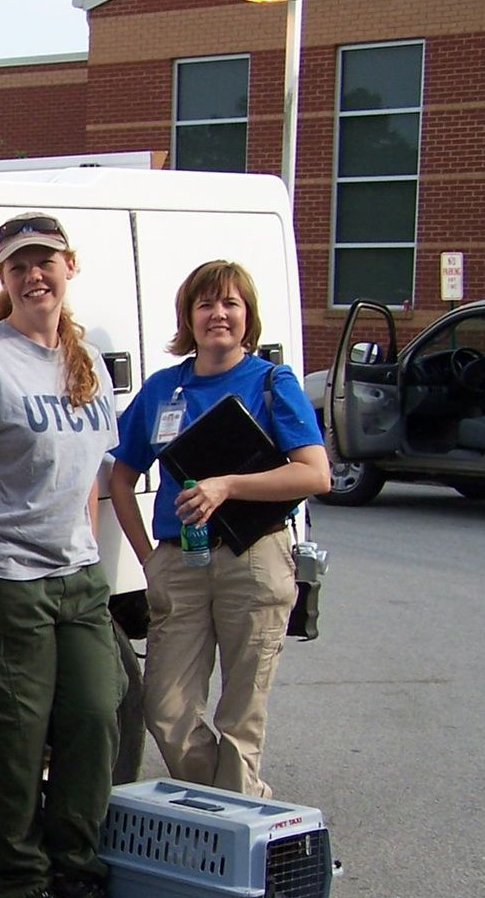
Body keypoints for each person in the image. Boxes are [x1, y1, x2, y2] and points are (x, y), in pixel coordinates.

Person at [0, 212, 131, 898]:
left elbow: (89, 476)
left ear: (69, 267)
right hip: (5, 579)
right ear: (4, 278)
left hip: (76, 578)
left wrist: (88, 549)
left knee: (92, 718)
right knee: (14, 740)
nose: (33, 275)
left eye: (44, 261)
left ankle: (76, 866)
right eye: (19, 265)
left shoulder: (87, 362)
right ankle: (21, 882)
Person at [108, 260, 331, 797]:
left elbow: (314, 473)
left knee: (241, 714)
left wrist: (227, 485)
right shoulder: (164, 389)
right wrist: (148, 558)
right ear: (189, 316)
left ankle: (230, 842)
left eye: (231, 303)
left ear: (247, 315)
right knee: (165, 707)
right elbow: (120, 477)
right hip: (179, 561)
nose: (218, 315)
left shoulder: (272, 383)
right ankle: (243, 803)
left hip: (253, 555)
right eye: (206, 304)